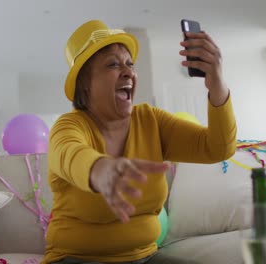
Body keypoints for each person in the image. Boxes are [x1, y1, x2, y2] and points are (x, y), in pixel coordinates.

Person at [42, 20, 236, 264]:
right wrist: (100, 169)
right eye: (113, 64)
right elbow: (70, 153)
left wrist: (217, 83)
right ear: (86, 85)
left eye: (130, 64)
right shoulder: (69, 125)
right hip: (76, 258)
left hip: (145, 257)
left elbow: (219, 147)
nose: (128, 72)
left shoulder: (151, 120)